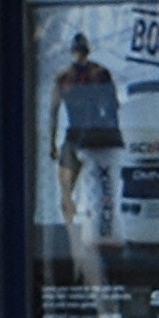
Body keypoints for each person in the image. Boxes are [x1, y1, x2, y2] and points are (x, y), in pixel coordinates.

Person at [48, 32, 123, 241]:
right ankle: (74, 232)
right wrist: (52, 142)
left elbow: (112, 107)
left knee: (96, 193)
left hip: (93, 136)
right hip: (84, 135)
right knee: (68, 190)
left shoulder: (94, 75)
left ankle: (84, 233)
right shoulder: (70, 77)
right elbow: (54, 111)